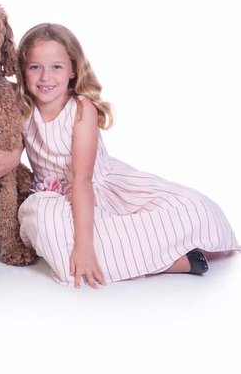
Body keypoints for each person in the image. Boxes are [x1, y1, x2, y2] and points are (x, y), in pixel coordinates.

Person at [15, 23, 239, 289]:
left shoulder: (81, 109)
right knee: (44, 221)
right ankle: (170, 260)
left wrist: (84, 245)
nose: (45, 77)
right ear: (22, 69)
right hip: (55, 199)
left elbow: (83, 181)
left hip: (96, 188)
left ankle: (107, 254)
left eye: (56, 67)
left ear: (73, 70)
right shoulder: (21, 108)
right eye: (35, 67)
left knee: (194, 210)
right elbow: (11, 150)